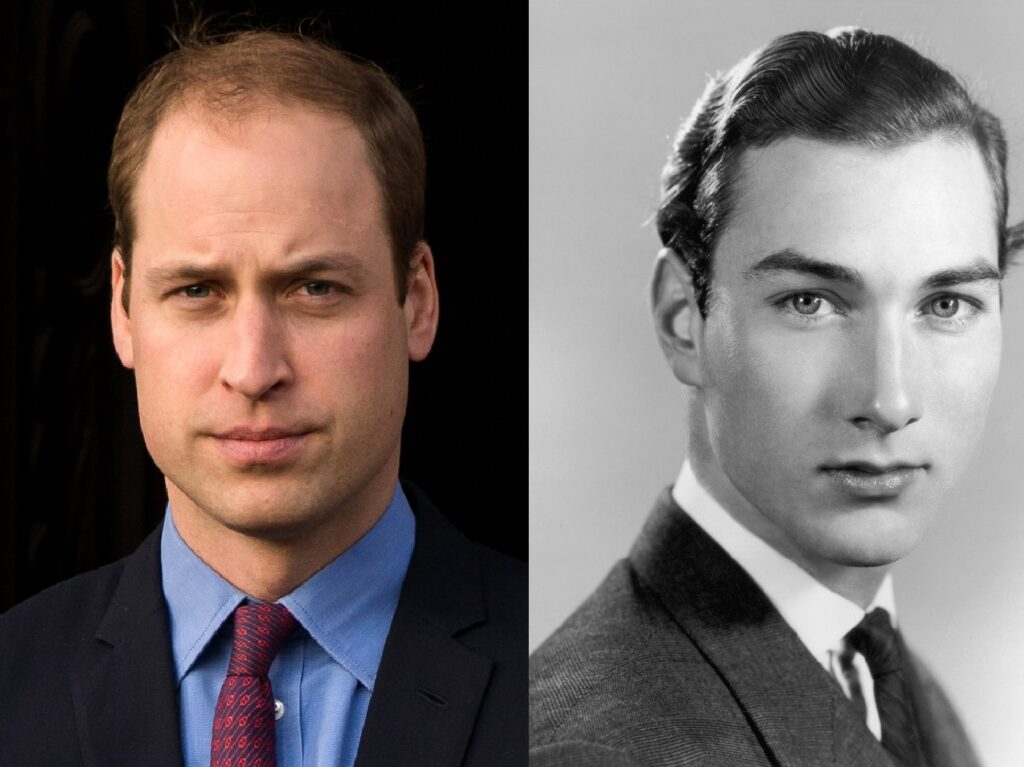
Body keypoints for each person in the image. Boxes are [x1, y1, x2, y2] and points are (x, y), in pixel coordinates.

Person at [0, 27, 525, 767]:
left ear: (418, 299)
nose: (253, 369)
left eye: (314, 288)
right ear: (122, 311)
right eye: (197, 290)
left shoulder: (579, 675)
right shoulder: (10, 688)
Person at [530, 27, 1019, 766]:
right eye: (810, 303)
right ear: (681, 321)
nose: (889, 398)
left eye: (945, 303)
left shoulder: (896, 685)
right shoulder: (588, 747)